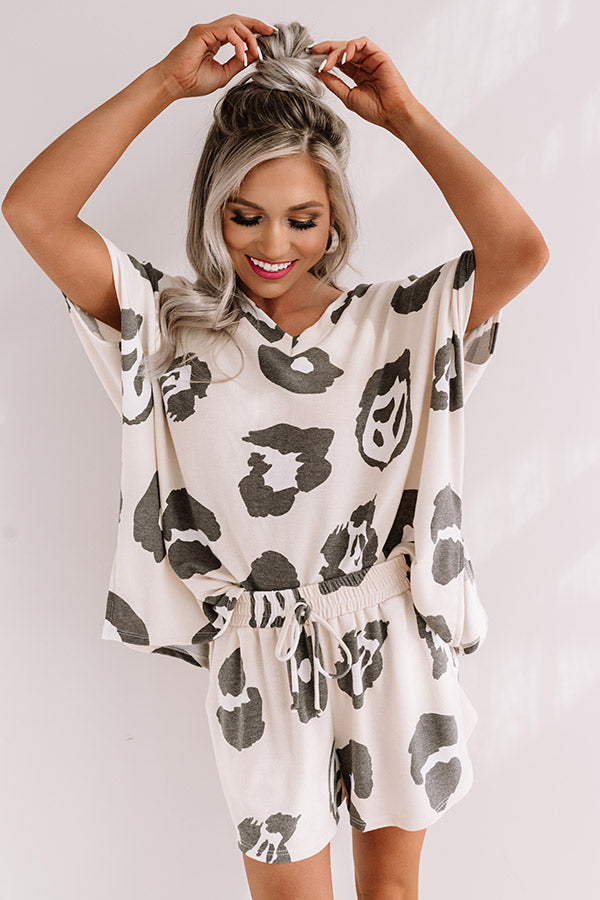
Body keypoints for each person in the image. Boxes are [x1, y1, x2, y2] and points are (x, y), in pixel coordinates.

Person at [2, 14, 549, 900]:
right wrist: (166, 83)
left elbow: (521, 252)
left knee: (392, 894)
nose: (272, 245)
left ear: (335, 220)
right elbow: (32, 211)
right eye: (246, 216)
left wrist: (404, 116)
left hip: (388, 628)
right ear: (213, 209)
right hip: (257, 653)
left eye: (303, 219)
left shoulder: (398, 321)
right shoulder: (168, 326)